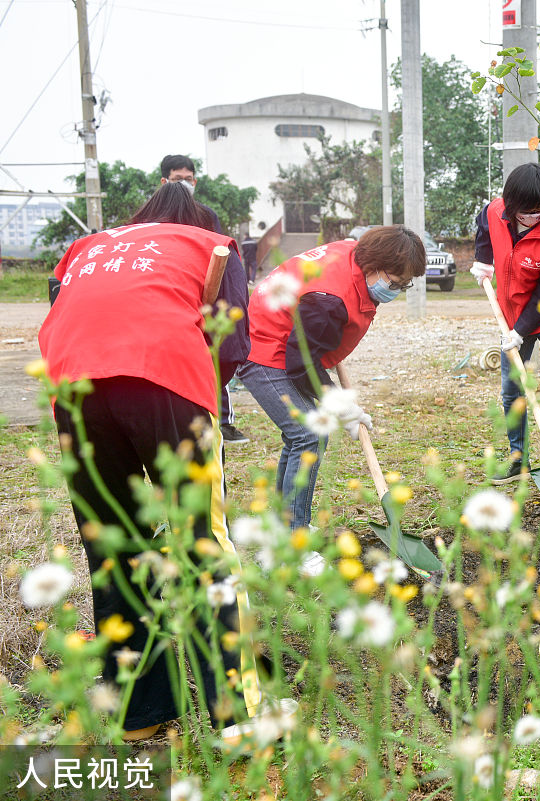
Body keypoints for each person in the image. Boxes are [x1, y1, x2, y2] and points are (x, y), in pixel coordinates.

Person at [38, 187, 265, 741]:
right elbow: (233, 344)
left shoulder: (86, 247)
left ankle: (139, 714)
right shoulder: (213, 244)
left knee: (113, 542)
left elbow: (62, 306)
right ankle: (236, 717)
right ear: (199, 219)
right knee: (201, 538)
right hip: (163, 377)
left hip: (73, 385)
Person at [240, 227, 425, 530]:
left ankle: (285, 523)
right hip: (263, 346)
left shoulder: (358, 255)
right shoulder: (329, 300)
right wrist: (341, 405)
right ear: (373, 265)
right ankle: (293, 536)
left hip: (286, 340)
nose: (397, 291)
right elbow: (301, 365)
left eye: (406, 286)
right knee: (308, 434)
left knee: (302, 436)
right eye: (395, 283)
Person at [471, 163, 540, 484]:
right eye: (525, 211)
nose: (532, 216)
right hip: (510, 313)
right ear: (510, 203)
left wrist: (521, 332)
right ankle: (519, 460)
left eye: (539, 211)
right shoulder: (495, 211)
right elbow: (483, 227)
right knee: (511, 390)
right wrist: (482, 259)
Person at [160, 154, 252, 445]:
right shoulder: (156, 214)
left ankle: (223, 422)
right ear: (164, 182)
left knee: (213, 353)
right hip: (171, 291)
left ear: (195, 182)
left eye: (188, 180)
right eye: (178, 180)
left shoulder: (205, 215)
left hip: (204, 290)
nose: (184, 185)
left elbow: (218, 252)